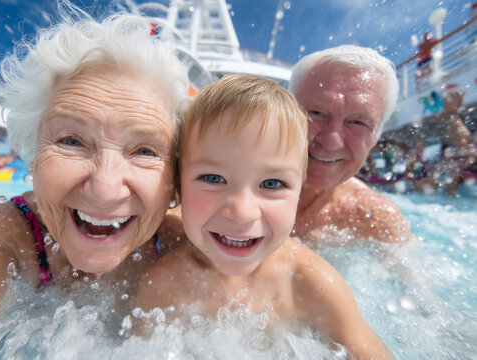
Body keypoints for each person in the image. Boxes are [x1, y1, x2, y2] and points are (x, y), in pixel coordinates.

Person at [0, 7, 189, 359]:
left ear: (175, 181)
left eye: (145, 150)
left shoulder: (181, 241)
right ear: (33, 154)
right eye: (71, 141)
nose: (104, 189)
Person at [138, 75, 393, 360]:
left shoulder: (313, 285)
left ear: (300, 191)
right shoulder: (163, 284)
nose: (242, 212)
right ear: (178, 187)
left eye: (271, 184)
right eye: (213, 178)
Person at [289, 45, 412, 245]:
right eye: (316, 113)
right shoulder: (226, 183)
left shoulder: (376, 219)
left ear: (374, 139)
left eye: (358, 122)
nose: (331, 142)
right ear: (283, 115)